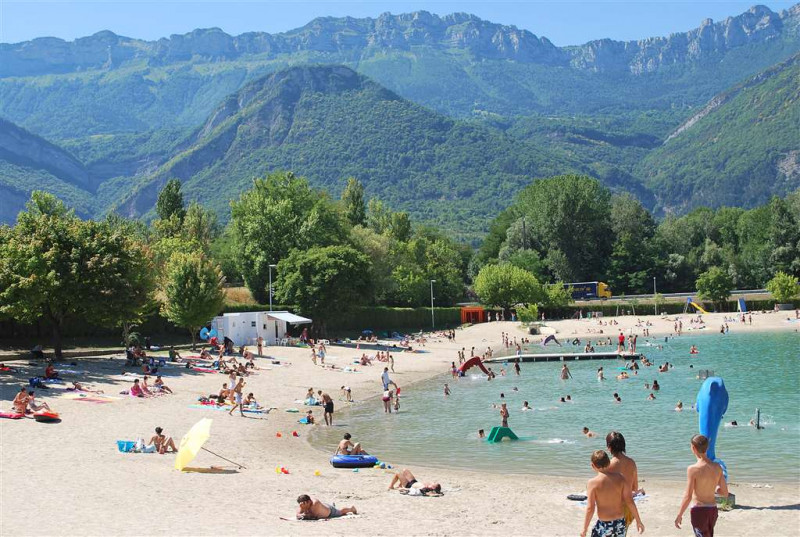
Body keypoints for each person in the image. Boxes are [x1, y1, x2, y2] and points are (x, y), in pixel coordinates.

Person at [580, 450, 645, 537]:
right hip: (620, 524)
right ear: (608, 463)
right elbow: (629, 501)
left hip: (604, 524)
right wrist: (638, 521)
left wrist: (584, 529)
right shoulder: (621, 478)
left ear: (593, 465)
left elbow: (590, 508)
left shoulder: (592, 483)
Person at [675, 434, 728, 537]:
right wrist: (715, 489)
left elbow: (688, 496)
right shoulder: (717, 467)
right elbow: (725, 493)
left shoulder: (693, 469)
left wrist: (679, 515)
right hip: (712, 510)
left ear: (693, 448)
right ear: (707, 447)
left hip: (699, 510)